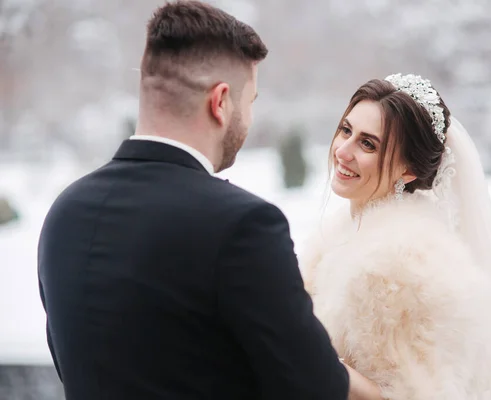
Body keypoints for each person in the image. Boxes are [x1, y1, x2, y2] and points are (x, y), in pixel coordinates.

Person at [37, 2, 349, 399]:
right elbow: (317, 388)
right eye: (250, 101)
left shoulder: (65, 212)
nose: (249, 120)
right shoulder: (243, 225)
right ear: (220, 102)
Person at [300, 73, 491, 399]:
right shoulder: (337, 233)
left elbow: (410, 394)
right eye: (346, 130)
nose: (343, 151)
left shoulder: (403, 265)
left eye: (368, 143)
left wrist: (307, 356)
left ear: (409, 169)